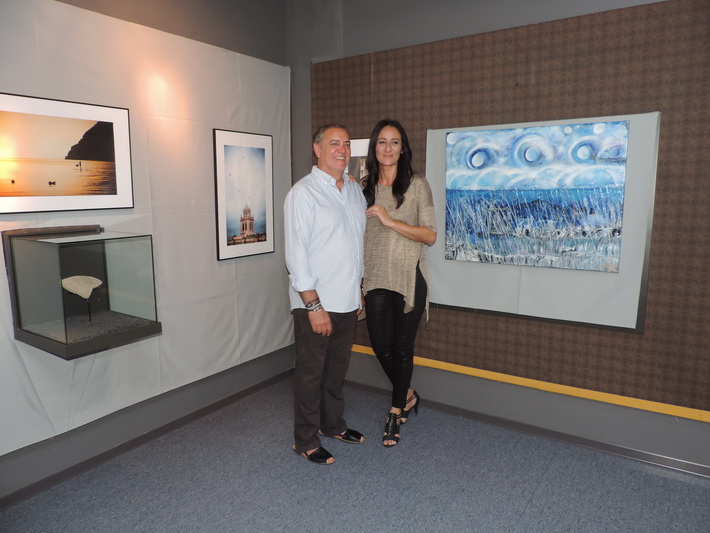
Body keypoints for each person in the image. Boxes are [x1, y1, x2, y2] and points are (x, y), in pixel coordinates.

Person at [284, 124, 368, 464]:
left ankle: (331, 424)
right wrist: (314, 305)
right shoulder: (303, 193)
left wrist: (358, 289)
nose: (342, 149)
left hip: (347, 299)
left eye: (346, 144)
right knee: (310, 374)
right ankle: (304, 439)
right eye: (334, 143)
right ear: (317, 149)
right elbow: (296, 254)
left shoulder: (354, 191)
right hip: (315, 303)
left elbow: (356, 246)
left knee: (336, 371)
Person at [361, 119, 437, 447]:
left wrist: (389, 220)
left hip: (409, 277)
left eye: (394, 142)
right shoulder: (363, 187)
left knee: (403, 348)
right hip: (376, 277)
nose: (388, 148)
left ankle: (395, 411)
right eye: (382, 142)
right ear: (374, 148)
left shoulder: (417, 184)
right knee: (381, 346)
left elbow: (430, 235)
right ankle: (406, 394)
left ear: (403, 148)